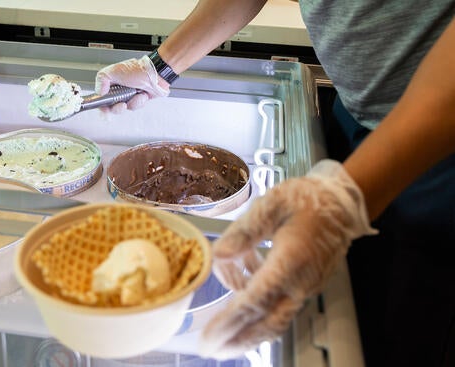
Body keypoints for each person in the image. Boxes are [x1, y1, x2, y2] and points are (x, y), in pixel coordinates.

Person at [94, 1, 455, 365]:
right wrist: (158, 69)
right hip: (359, 110)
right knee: (353, 302)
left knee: (398, 328)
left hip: (439, 146)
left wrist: (344, 199)